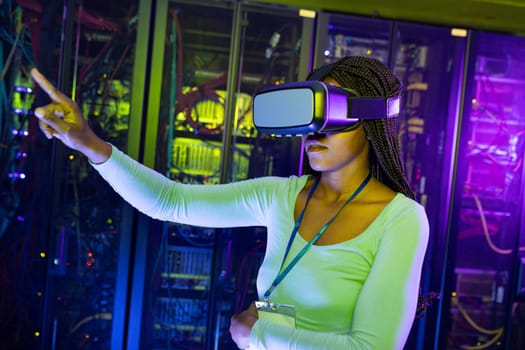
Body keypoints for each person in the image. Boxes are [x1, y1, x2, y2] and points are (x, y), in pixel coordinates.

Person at [31, 55, 429, 349]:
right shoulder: (282, 195)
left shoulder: (401, 219)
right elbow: (171, 202)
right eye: (308, 117)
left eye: (332, 113)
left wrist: (257, 333)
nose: (314, 131)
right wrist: (88, 143)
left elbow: (373, 348)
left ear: (373, 120)